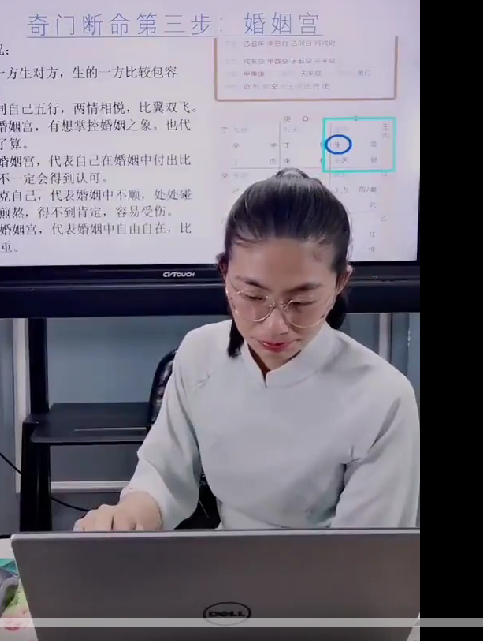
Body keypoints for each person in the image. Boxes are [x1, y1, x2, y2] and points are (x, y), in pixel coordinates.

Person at [75, 169, 420, 532]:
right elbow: (164, 477)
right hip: (226, 562)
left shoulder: (383, 398)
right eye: (253, 296)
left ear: (340, 283)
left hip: (328, 568)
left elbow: (365, 551)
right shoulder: (200, 354)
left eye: (301, 301)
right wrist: (128, 518)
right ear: (224, 273)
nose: (274, 326)